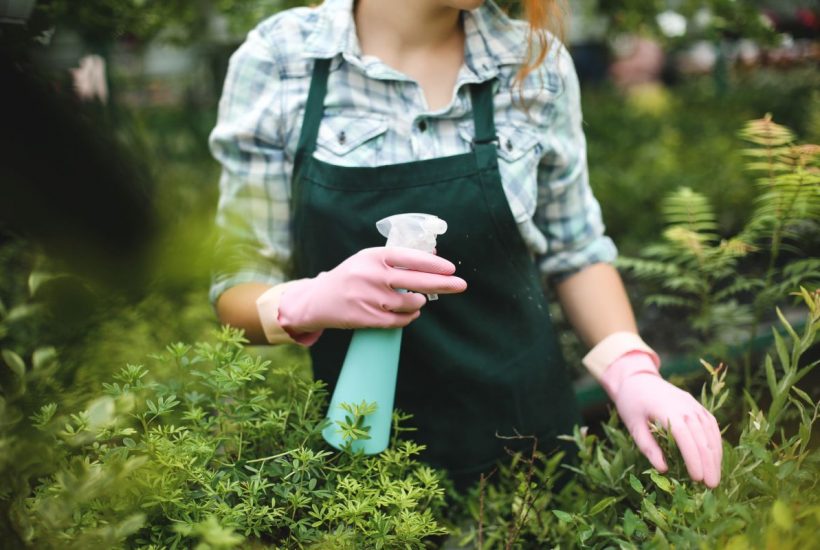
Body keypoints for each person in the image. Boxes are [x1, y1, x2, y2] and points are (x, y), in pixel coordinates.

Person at [209, 0, 722, 489]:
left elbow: (577, 251)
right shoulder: (280, 60)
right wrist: (305, 301)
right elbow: (235, 287)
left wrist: (630, 369)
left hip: (528, 460)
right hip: (362, 482)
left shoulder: (534, 65)